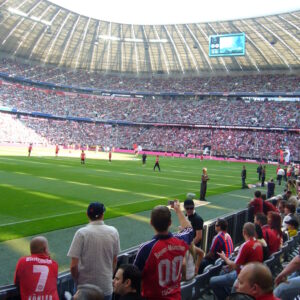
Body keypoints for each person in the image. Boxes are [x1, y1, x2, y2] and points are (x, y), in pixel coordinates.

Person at [133, 201, 194, 300]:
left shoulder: (146, 248)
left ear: (151, 223)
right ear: (170, 223)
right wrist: (178, 210)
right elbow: (189, 230)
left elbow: (134, 276)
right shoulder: (180, 241)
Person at [68, 202, 120, 300]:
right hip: (105, 287)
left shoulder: (81, 233)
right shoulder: (113, 232)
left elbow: (74, 265)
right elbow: (114, 260)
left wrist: (77, 280)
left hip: (84, 290)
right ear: (102, 215)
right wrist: (108, 277)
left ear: (87, 215)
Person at [209, 222, 263, 300]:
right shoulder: (258, 243)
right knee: (224, 271)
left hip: (242, 276)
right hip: (252, 275)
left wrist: (224, 258)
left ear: (244, 232)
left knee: (212, 281)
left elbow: (235, 266)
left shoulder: (246, 245)